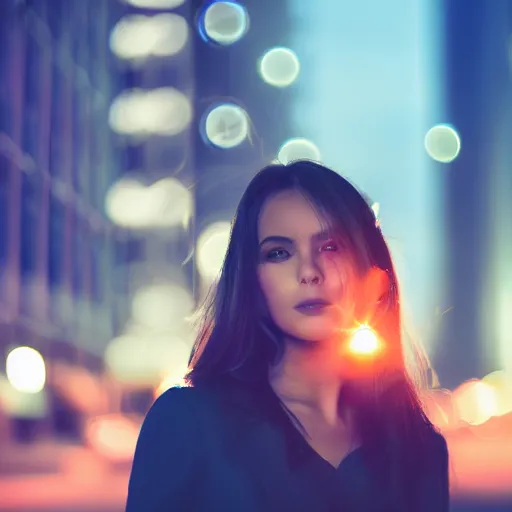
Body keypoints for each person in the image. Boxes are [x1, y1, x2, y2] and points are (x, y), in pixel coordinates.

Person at [126, 160, 450, 512]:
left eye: (331, 247)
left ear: (372, 273)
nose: (309, 272)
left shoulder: (419, 446)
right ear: (253, 282)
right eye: (278, 253)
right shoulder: (186, 423)